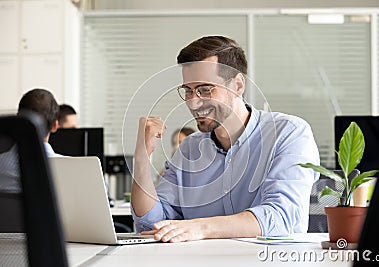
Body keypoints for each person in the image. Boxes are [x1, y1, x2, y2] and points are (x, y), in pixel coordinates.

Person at [131, 36, 320, 243]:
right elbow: (151, 223)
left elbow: (281, 218)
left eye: (205, 89)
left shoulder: (288, 133)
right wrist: (142, 157)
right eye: (188, 91)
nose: (193, 103)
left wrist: (201, 227)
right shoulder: (189, 149)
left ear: (238, 86)